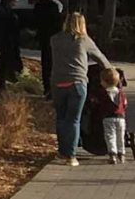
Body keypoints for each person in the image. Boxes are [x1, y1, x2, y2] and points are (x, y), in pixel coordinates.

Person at [46, 11, 108, 167]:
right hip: (77, 83)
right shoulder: (83, 40)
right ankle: (71, 155)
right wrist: (110, 70)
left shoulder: (54, 40)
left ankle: (62, 151)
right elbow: (101, 58)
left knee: (61, 118)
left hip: (58, 83)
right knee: (74, 120)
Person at [85, 64, 134, 163]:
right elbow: (125, 104)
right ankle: (122, 154)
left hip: (108, 117)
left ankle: (112, 154)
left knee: (110, 135)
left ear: (103, 82)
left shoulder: (102, 93)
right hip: (121, 117)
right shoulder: (120, 93)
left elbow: (95, 103)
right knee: (120, 135)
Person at [30, 0, 65, 89]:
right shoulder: (53, 6)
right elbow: (58, 22)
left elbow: (34, 20)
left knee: (45, 62)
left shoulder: (38, 6)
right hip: (53, 37)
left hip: (43, 36)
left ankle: (47, 86)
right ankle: (54, 86)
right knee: (54, 62)